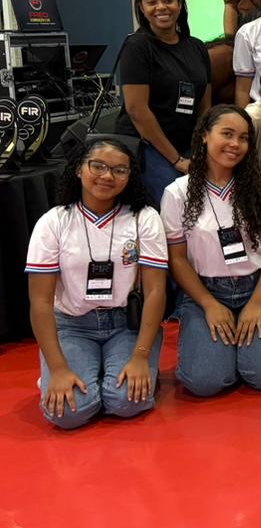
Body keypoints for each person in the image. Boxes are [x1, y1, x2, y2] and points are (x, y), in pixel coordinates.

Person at [26, 137, 167, 428]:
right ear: (79, 169)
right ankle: (68, 370)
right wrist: (58, 368)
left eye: (119, 170)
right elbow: (40, 301)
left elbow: (155, 291)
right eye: (98, 166)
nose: (107, 176)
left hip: (126, 323)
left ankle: (118, 368)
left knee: (126, 401)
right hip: (72, 325)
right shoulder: (53, 222)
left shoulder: (144, 217)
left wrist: (141, 357)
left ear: (130, 176)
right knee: (67, 413)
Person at [161, 106, 261, 396]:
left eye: (243, 138)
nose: (235, 144)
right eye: (227, 134)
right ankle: (226, 353)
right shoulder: (177, 192)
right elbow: (177, 259)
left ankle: (248, 351)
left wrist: (257, 302)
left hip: (259, 286)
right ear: (205, 136)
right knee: (204, 382)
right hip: (206, 290)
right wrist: (208, 304)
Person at [116, 0, 213, 205]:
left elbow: (205, 105)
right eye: (151, 2)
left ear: (179, 4)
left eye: (168, 0)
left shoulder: (197, 47)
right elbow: (137, 110)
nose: (161, 7)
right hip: (147, 145)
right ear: (142, 8)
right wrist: (177, 160)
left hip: (188, 144)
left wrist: (198, 150)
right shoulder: (137, 46)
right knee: (175, 199)